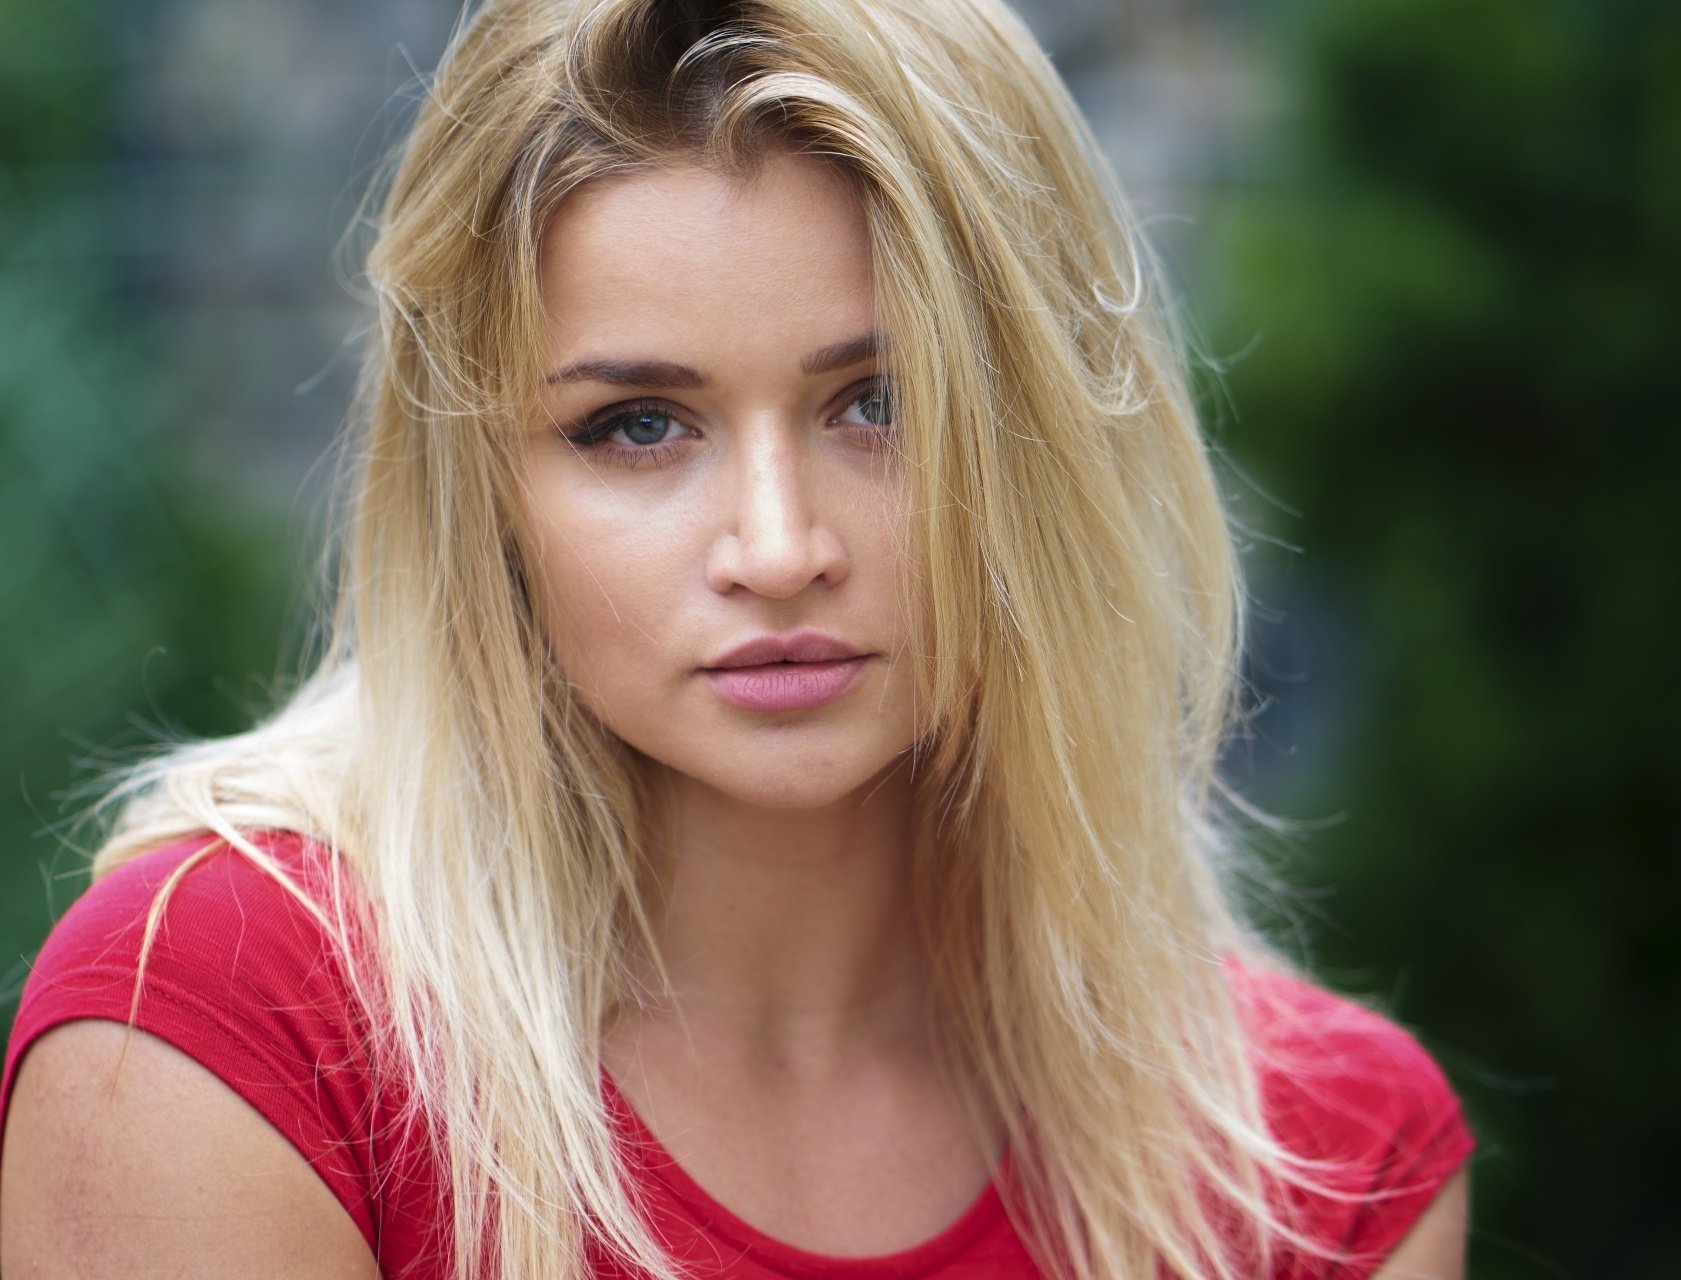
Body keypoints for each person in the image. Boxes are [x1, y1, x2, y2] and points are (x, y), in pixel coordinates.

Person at [0, 0, 1473, 1276]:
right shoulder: (229, 1032)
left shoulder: (1319, 1167)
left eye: (878, 404)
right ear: (486, 488)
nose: (778, 549)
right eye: (637, 425)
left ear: (1042, 435)